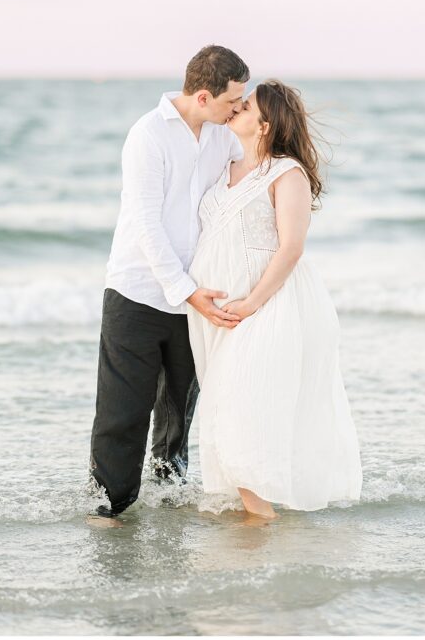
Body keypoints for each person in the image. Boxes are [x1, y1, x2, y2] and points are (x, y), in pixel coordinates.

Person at [88, 44, 250, 525]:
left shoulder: (224, 138)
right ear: (203, 96)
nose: (238, 108)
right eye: (232, 100)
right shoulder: (147, 135)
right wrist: (183, 289)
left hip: (199, 294)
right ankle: (110, 504)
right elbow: (146, 224)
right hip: (136, 291)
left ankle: (167, 495)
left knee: (179, 405)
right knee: (124, 407)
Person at [186, 79, 363, 519]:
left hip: (269, 307)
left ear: (264, 125)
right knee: (231, 414)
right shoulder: (223, 168)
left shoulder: (288, 173)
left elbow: (291, 248)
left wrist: (252, 303)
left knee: (240, 415)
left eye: (245, 107)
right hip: (218, 314)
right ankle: (264, 525)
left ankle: (262, 530)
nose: (236, 110)